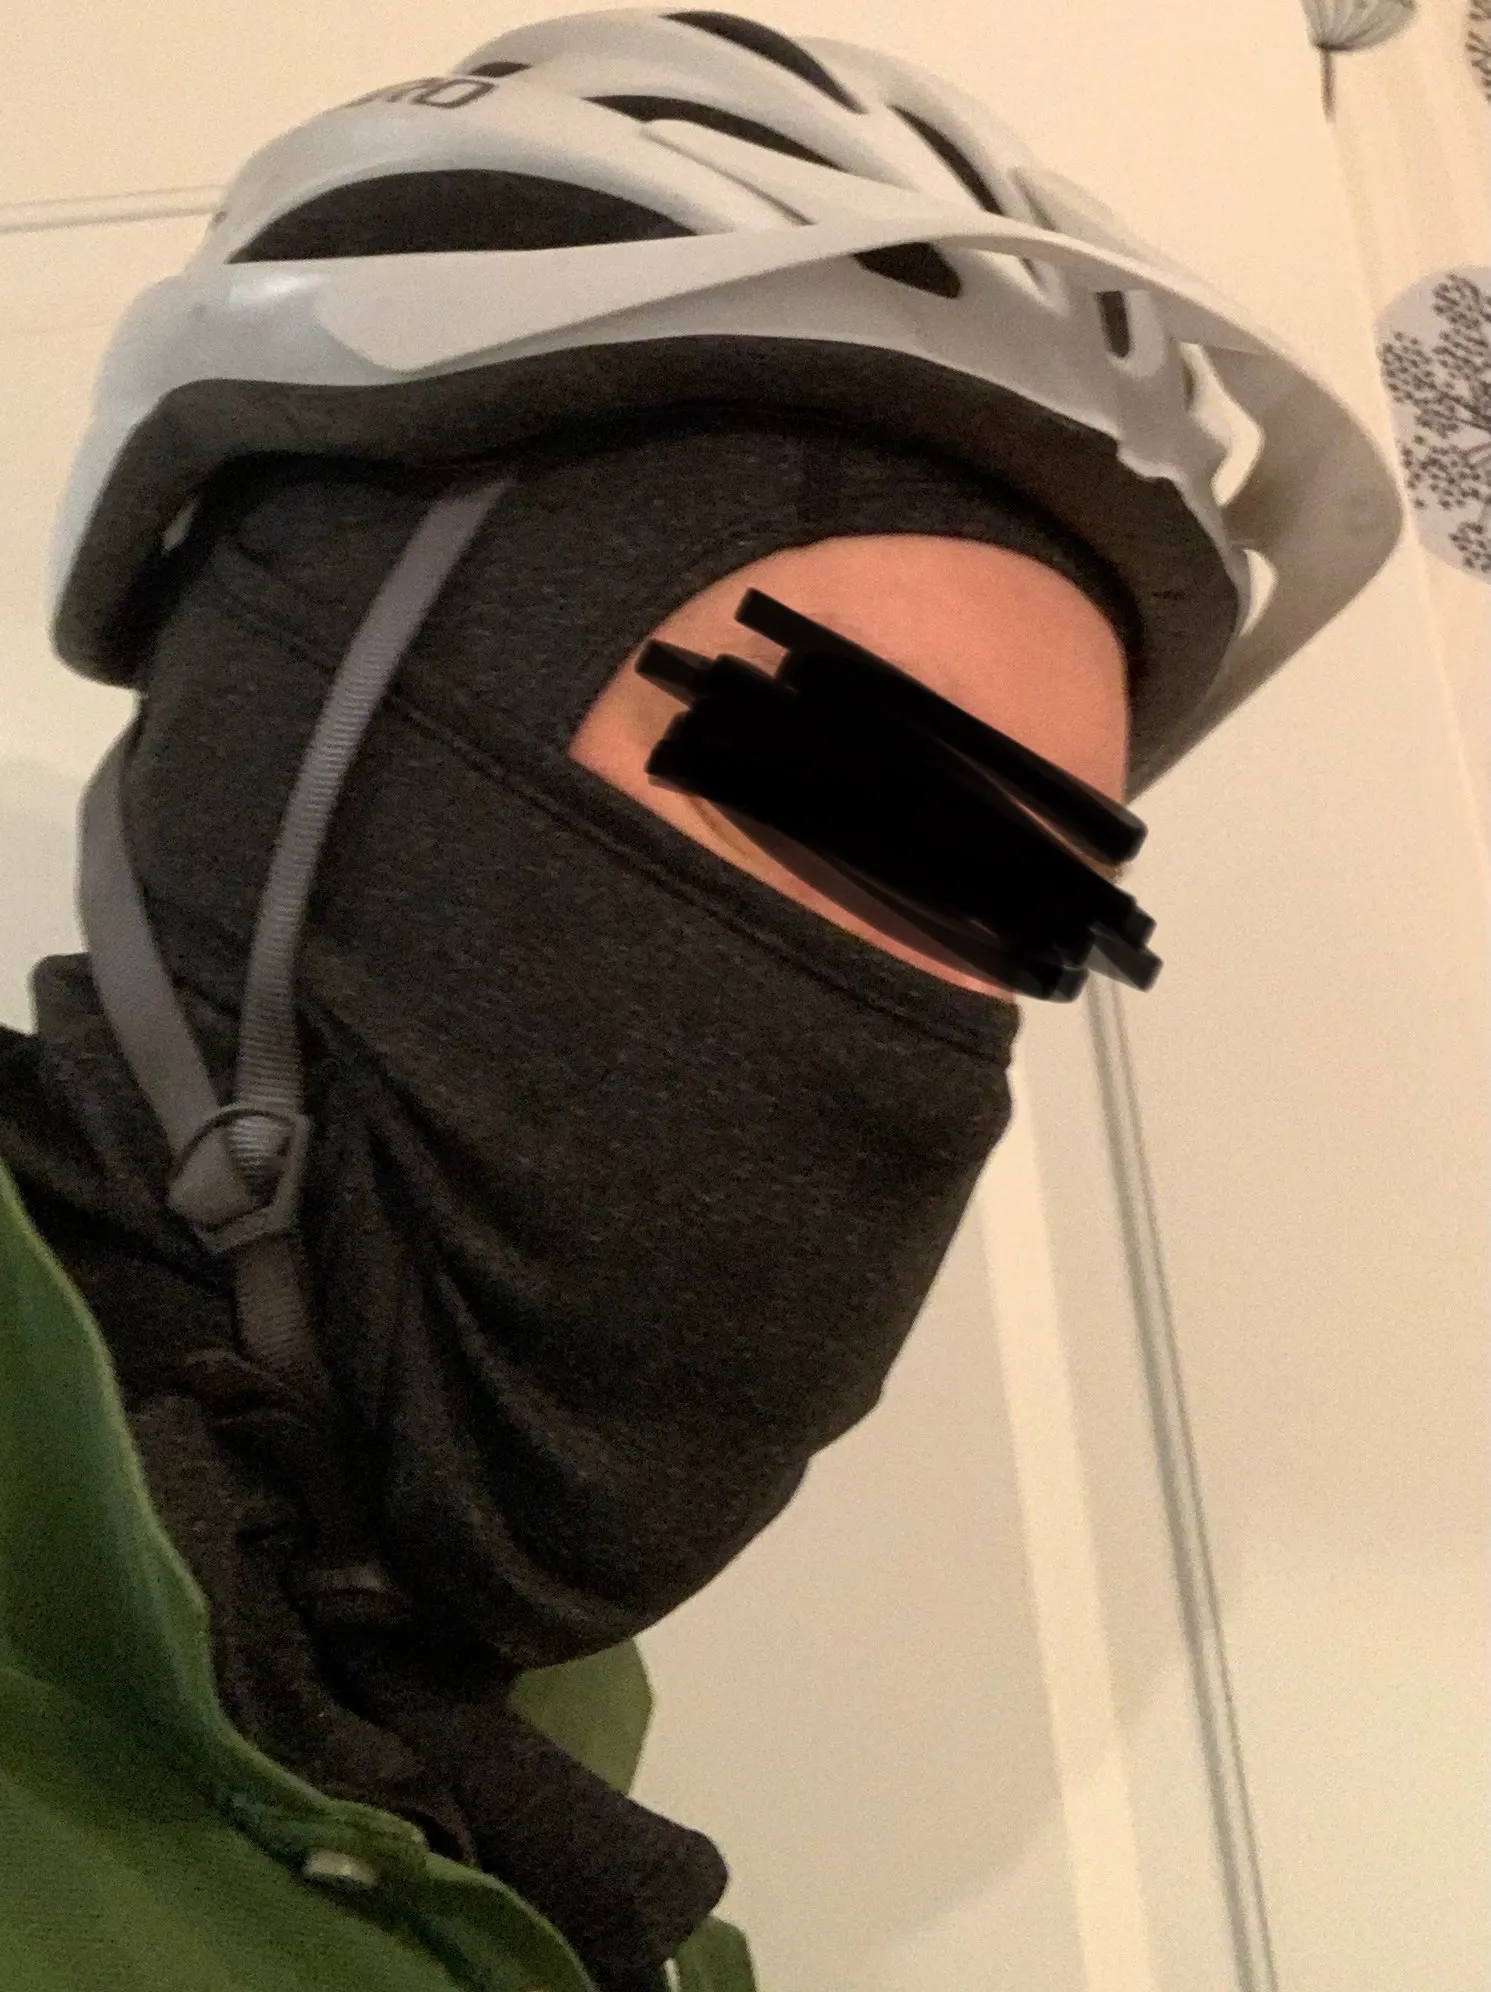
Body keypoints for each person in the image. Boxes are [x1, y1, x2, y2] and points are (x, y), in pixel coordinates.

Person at [0, 12, 1401, 1992]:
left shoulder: (520, 1784)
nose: (918, 1015)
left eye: (1019, 916)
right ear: (292, 758)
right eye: (846, 802)